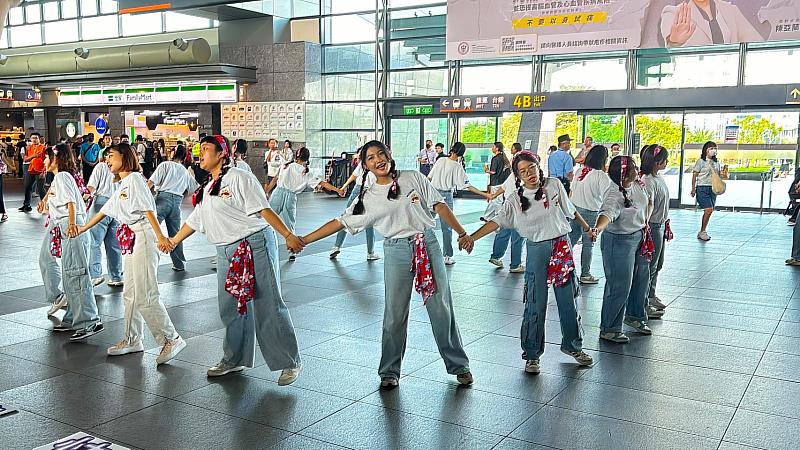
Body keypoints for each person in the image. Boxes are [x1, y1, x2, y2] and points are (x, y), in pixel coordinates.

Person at [300, 140, 474, 389]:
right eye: (370, 158)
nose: (377, 160)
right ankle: (389, 371)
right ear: (365, 166)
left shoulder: (413, 177)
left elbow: (439, 205)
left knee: (441, 308)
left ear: (389, 155)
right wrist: (304, 240)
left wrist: (461, 232)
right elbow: (339, 222)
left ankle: (459, 365)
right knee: (394, 313)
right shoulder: (367, 198)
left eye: (381, 154)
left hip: (427, 244)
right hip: (396, 251)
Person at [164, 135, 303, 384]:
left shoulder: (239, 177)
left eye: (206, 149)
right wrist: (173, 241)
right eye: (200, 149)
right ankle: (234, 358)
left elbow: (263, 209)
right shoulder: (209, 187)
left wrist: (288, 235)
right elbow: (195, 220)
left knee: (267, 303)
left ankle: (289, 361)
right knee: (230, 307)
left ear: (221, 154)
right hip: (225, 250)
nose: (201, 153)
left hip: (254, 244)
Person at [467, 151, 593, 373]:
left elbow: (570, 211)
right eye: (523, 172)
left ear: (538, 166)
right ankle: (532, 354)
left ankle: (573, 346)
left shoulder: (554, 185)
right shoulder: (515, 199)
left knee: (568, 300)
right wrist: (471, 237)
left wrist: (587, 229)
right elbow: (497, 221)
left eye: (531, 168)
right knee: (535, 302)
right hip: (537, 250)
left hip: (561, 247)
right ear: (517, 175)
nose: (529, 174)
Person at [78, 143, 186, 365]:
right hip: (133, 238)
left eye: (111, 156)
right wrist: (82, 228)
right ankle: (132, 339)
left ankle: (171, 338)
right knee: (131, 293)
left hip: (145, 236)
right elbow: (106, 208)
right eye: (106, 156)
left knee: (146, 293)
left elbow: (148, 209)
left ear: (124, 157)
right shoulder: (123, 183)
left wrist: (160, 238)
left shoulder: (135, 180)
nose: (107, 160)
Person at [40, 144, 104, 341]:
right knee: (70, 273)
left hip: (72, 226)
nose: (44, 161)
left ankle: (89, 321)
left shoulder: (62, 177)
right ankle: (73, 318)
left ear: (56, 159)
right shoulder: (60, 178)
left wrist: (71, 224)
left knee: (76, 273)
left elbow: (71, 203)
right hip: (66, 225)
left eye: (47, 157)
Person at [590, 156, 654, 343]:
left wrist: (646, 221)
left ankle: (635, 316)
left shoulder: (637, 184)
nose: (637, 168)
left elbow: (647, 202)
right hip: (619, 242)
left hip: (639, 236)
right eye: (634, 166)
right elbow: (606, 214)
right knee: (619, 285)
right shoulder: (613, 195)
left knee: (641, 278)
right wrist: (597, 229)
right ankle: (609, 328)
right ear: (624, 174)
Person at [266, 147, 344, 260]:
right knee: (290, 225)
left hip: (278, 193)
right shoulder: (306, 172)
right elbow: (322, 183)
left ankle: (262, 245)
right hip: (291, 197)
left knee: (267, 219)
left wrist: (267, 190)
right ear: (307, 158)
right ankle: (292, 251)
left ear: (296, 156)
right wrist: (338, 190)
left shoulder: (286, 165)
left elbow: (275, 179)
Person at [428, 142, 490, 265]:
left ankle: (424, 252)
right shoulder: (457, 167)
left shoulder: (440, 160)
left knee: (425, 223)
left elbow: (429, 178)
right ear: (462, 154)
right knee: (447, 227)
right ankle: (448, 255)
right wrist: (485, 194)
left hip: (432, 193)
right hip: (445, 196)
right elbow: (466, 185)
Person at [147, 144, 199, 272]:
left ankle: (147, 263)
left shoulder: (164, 165)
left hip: (161, 200)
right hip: (176, 202)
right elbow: (193, 189)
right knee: (176, 235)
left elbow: (150, 183)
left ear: (173, 153)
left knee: (150, 230)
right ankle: (179, 264)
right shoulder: (185, 171)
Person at [568, 145, 612, 285]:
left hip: (575, 210)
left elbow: (571, 191)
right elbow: (608, 197)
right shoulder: (601, 176)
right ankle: (585, 274)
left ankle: (561, 266)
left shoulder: (581, 171)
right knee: (588, 244)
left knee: (570, 240)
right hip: (590, 212)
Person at [330, 150, 379, 261]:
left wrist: (343, 187)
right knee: (369, 223)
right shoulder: (376, 164)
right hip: (369, 191)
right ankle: (370, 253)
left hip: (357, 190)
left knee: (345, 218)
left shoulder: (363, 163)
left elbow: (353, 176)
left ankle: (336, 246)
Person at [640, 144, 671, 317]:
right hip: (652, 226)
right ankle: (644, 302)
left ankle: (650, 295)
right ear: (657, 162)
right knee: (650, 266)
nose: (667, 162)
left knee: (657, 264)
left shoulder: (658, 178)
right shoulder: (648, 181)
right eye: (665, 159)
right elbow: (648, 205)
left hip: (660, 224)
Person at [86, 147, 123, 287]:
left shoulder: (100, 166)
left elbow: (91, 187)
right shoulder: (122, 169)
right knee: (114, 245)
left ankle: (95, 274)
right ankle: (116, 276)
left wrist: (84, 196)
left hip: (100, 204)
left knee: (94, 242)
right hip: (117, 207)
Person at [485, 142, 524, 273]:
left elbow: (503, 187)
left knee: (504, 231)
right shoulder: (525, 175)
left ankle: (496, 256)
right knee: (518, 235)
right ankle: (515, 264)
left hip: (507, 205)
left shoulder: (514, 174)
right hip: (519, 207)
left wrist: (494, 195)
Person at [660, 0, 762, 48]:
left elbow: (757, 43)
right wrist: (675, 41)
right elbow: (670, 45)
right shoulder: (673, 12)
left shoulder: (730, 10)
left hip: (730, 80)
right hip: (693, 83)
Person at [691, 141, 723, 241]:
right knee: (708, 210)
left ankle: (702, 231)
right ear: (705, 150)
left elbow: (718, 175)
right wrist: (693, 188)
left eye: (714, 148)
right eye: (710, 148)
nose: (713, 150)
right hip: (702, 187)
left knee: (710, 210)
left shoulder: (716, 163)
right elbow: (695, 175)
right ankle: (703, 231)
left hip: (713, 188)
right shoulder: (700, 162)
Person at [20, 132, 46, 212]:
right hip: (31, 169)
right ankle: (26, 205)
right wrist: (33, 156)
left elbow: (47, 160)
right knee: (27, 187)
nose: (34, 140)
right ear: (30, 139)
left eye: (36, 138)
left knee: (40, 188)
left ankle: (45, 205)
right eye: (33, 138)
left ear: (39, 139)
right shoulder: (29, 148)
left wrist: (44, 171)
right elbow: (25, 159)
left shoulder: (43, 147)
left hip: (40, 170)